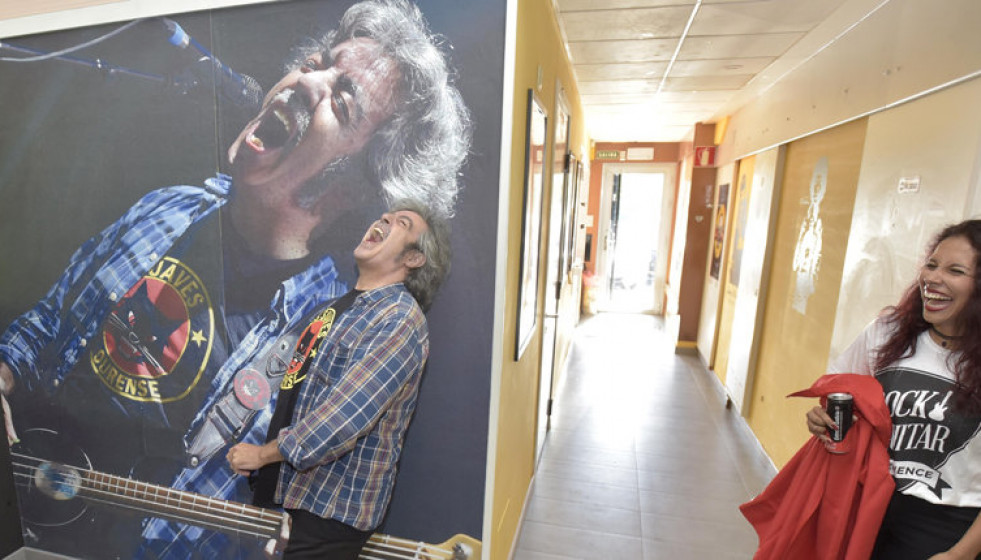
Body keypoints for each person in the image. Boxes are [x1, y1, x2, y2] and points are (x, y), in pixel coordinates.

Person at [0, 0, 470, 557]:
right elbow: (46, 324)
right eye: (316, 62)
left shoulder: (335, 333)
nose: (305, 81)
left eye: (342, 100)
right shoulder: (169, 208)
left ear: (359, 185)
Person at [225, 198, 449, 559]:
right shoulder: (344, 306)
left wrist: (263, 455)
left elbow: (342, 418)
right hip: (302, 500)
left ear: (413, 258)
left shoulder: (398, 321)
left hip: (330, 514)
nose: (384, 221)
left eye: (402, 223)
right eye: (385, 216)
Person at [806, 219, 981, 559]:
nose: (932, 278)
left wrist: (959, 554)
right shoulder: (888, 332)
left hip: (944, 528)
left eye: (955, 271)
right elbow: (840, 394)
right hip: (864, 508)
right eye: (931, 265)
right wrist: (821, 421)